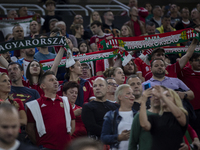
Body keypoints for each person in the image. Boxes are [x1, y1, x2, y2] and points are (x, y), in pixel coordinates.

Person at [26, 71, 75, 150]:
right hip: (46, 147)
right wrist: (41, 144)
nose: (55, 82)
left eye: (55, 79)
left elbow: (72, 122)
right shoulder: (34, 105)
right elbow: (29, 129)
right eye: (51, 80)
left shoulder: (65, 101)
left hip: (66, 146)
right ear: (43, 86)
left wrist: (66, 138)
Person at [139, 85, 188, 150]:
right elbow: (144, 125)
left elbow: (178, 116)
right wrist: (143, 101)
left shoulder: (182, 114)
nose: (162, 97)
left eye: (167, 95)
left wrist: (162, 95)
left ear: (175, 99)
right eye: (161, 97)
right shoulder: (155, 116)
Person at [101, 84, 136, 150]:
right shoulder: (111, 115)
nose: (132, 96)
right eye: (128, 93)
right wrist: (119, 137)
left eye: (132, 94)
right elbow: (103, 138)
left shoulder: (138, 115)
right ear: (120, 97)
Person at [178, 53, 200, 138]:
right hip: (191, 110)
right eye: (197, 60)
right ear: (190, 62)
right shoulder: (184, 72)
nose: (199, 62)